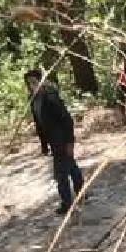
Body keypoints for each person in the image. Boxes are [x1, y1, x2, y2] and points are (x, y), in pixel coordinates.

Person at [25, 69, 84, 214]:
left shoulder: (50, 96)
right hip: (52, 140)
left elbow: (67, 119)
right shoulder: (33, 100)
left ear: (41, 81)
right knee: (70, 165)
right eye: (29, 84)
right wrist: (44, 145)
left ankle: (66, 203)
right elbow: (39, 124)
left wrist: (70, 142)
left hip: (62, 138)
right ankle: (81, 192)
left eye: (34, 82)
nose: (32, 86)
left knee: (60, 172)